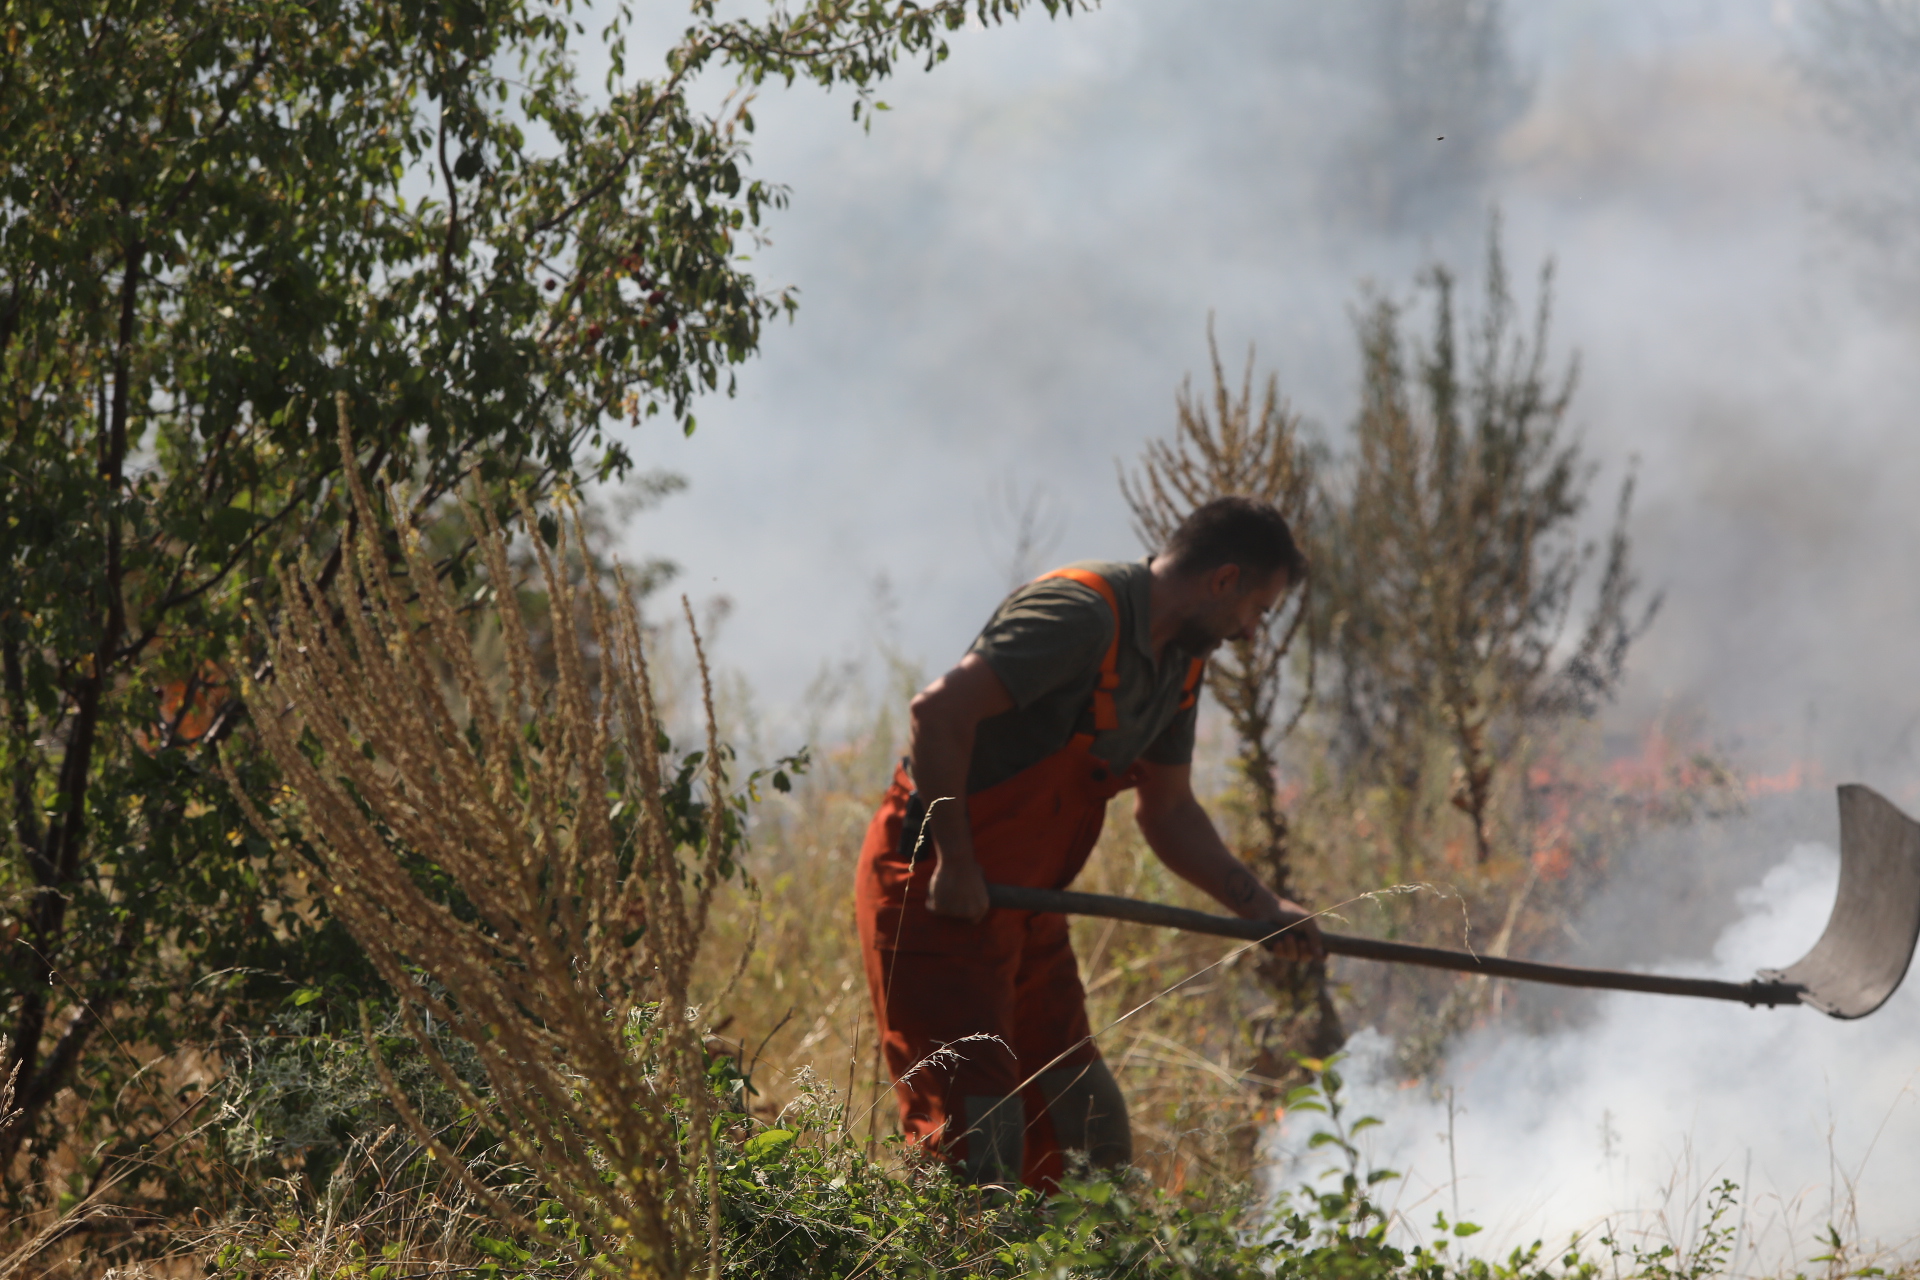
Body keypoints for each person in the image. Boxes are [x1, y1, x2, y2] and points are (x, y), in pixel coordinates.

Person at [853, 496, 1320, 1189]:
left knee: (1089, 1123)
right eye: (1258, 609)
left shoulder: (1179, 663)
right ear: (1224, 580)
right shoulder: (1079, 616)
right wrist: (956, 861)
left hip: (1024, 902)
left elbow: (1168, 812)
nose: (1251, 631)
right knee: (978, 1137)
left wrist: (1258, 905)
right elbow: (939, 711)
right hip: (938, 891)